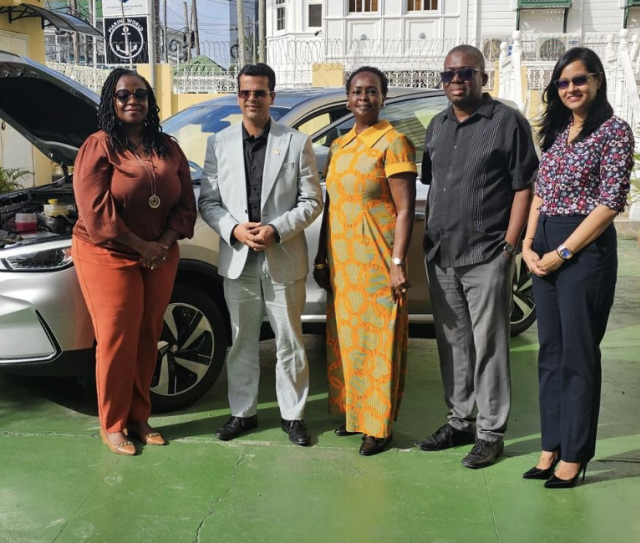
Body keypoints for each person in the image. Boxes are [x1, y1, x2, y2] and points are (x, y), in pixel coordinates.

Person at [417, 45, 539, 469]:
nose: (455, 80)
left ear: (482, 77)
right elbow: (432, 185)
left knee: (489, 346)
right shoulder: (436, 125)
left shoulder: (507, 123)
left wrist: (510, 245)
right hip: (442, 253)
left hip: (487, 252)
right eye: (448, 74)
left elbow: (525, 186)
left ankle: (490, 432)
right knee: (452, 344)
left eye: (465, 73)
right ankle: (459, 420)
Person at [521, 47, 633, 488]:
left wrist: (562, 252)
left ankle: (576, 453)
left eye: (579, 80)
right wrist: (529, 244)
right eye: (563, 83)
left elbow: (609, 203)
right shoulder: (560, 130)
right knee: (550, 351)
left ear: (598, 80)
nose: (571, 89)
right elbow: (540, 193)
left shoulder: (614, 132)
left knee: (579, 354)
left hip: (583, 250)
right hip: (544, 241)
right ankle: (551, 446)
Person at [72, 69, 197, 456]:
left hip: (160, 253)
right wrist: (141, 245)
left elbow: (185, 205)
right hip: (108, 252)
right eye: (124, 95)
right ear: (111, 101)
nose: (132, 101)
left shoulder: (168, 147)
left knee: (148, 335)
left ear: (150, 102)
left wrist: (161, 243)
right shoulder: (100, 145)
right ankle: (112, 423)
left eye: (140, 95)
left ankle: (140, 417)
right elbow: (96, 211)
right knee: (116, 338)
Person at [198, 63, 323, 446]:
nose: (253, 98)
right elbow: (209, 201)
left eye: (260, 92)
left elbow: (312, 200)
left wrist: (276, 229)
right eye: (246, 92)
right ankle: (243, 412)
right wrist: (234, 228)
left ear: (272, 96)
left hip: (282, 256)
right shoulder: (218, 144)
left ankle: (293, 415)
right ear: (238, 97)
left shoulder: (296, 142)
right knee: (241, 341)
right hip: (238, 256)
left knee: (289, 340)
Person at [313, 67, 417, 456]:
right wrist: (322, 257)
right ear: (347, 98)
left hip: (376, 260)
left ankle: (379, 425)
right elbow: (331, 205)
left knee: (378, 341)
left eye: (372, 91)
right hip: (343, 262)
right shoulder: (339, 146)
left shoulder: (395, 142)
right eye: (357, 91)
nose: (363, 98)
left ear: (383, 97)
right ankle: (354, 416)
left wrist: (397, 262)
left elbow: (405, 211)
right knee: (348, 341)